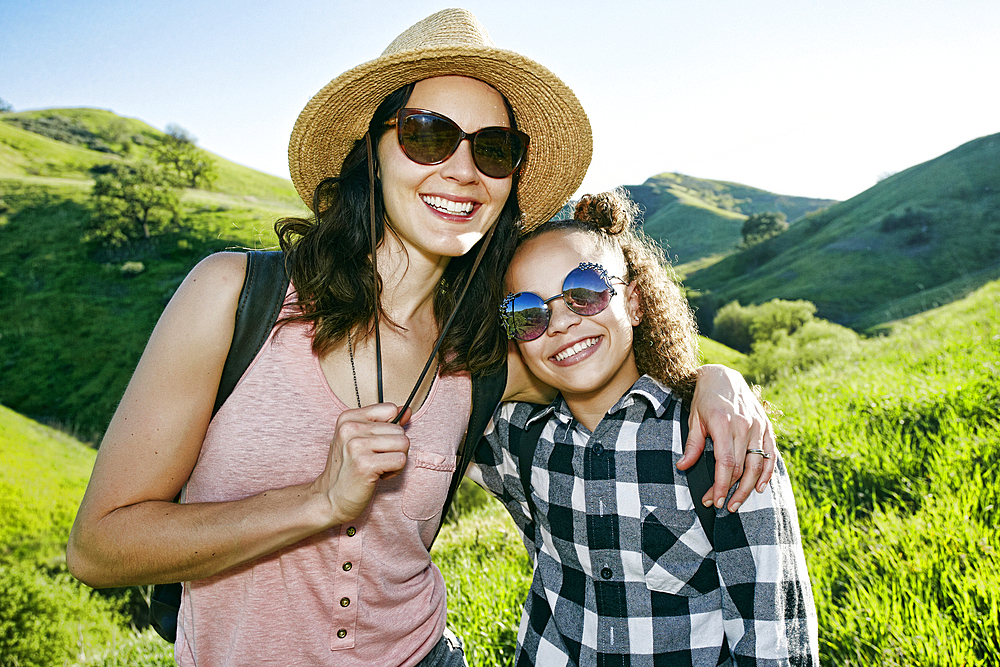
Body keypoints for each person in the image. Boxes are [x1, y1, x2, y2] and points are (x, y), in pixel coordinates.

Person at [67, 9, 776, 666]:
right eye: (428, 135)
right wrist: (317, 500)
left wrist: (712, 379)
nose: (462, 169)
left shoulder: (486, 356)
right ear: (370, 152)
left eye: (493, 149)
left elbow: (606, 353)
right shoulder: (233, 296)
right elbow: (99, 547)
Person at [473, 190, 819, 666]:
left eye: (584, 292)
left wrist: (718, 377)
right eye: (529, 313)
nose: (561, 323)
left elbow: (774, 641)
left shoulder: (720, 442)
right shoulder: (518, 439)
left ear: (633, 303)